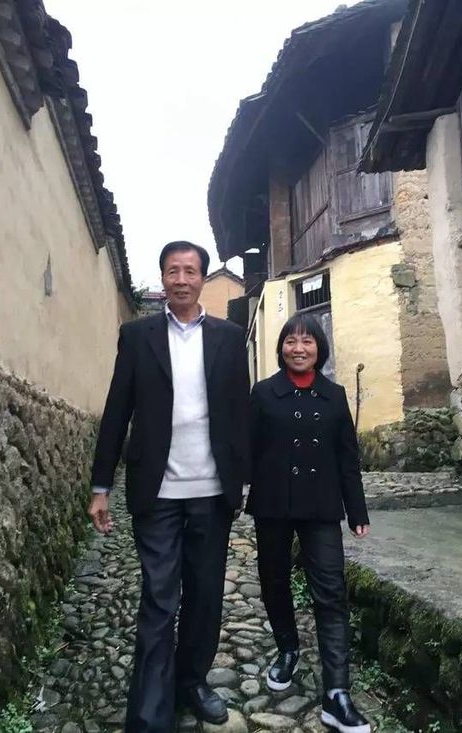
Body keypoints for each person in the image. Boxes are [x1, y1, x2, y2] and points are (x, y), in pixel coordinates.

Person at [88, 241, 250, 733]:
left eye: (190, 271)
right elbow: (118, 410)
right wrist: (101, 485)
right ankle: (149, 713)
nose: (181, 279)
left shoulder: (229, 338)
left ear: (202, 278)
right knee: (160, 598)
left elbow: (239, 413)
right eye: (173, 271)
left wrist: (246, 480)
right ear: (162, 278)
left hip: (211, 491)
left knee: (205, 596)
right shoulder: (137, 336)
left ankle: (192, 682)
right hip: (156, 492)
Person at [247, 313, 371, 733]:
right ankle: (288, 649)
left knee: (331, 591)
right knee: (274, 581)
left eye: (307, 341)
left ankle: (337, 693)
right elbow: (247, 450)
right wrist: (230, 495)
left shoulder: (334, 396)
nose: (298, 348)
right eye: (291, 341)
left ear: (320, 349)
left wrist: (357, 510)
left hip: (321, 506)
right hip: (273, 505)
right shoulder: (263, 394)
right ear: (281, 347)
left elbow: (347, 458)